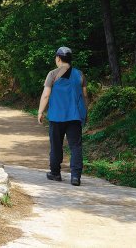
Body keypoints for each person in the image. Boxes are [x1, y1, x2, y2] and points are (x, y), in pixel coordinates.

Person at [37, 47, 88, 186]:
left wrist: (40, 111)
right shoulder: (80, 75)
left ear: (58, 58)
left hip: (56, 117)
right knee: (75, 146)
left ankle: (55, 174)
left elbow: (46, 94)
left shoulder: (52, 74)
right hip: (75, 116)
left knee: (56, 146)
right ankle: (76, 177)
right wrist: (85, 112)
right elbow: (84, 96)